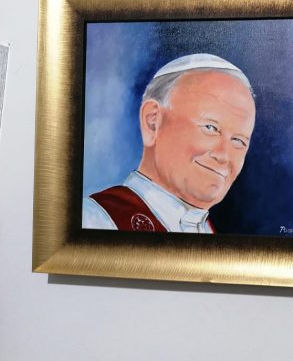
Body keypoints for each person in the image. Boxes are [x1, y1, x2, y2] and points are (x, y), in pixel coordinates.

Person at [82, 53, 256, 233]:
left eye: (238, 140)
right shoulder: (94, 220)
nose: (224, 155)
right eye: (210, 128)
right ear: (153, 122)